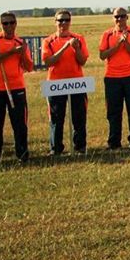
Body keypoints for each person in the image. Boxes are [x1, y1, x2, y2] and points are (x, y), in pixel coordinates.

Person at [0, 12, 34, 165]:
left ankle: (22, 154)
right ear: (1, 25)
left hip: (16, 88)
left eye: (11, 23)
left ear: (16, 23)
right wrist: (10, 52)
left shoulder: (20, 42)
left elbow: (29, 67)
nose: (9, 26)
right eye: (5, 23)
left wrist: (22, 54)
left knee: (19, 124)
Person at [41, 10, 89, 155]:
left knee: (79, 117)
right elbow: (48, 62)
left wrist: (76, 49)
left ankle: (80, 147)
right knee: (56, 118)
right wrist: (65, 47)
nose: (63, 23)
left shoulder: (78, 38)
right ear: (55, 22)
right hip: (55, 83)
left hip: (77, 82)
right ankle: (55, 148)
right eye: (60, 20)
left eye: (66, 20)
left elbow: (82, 61)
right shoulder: (48, 41)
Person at [99, 8, 130, 149]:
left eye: (122, 16)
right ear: (113, 18)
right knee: (113, 112)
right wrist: (118, 45)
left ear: (127, 17)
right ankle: (114, 142)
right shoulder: (107, 35)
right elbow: (102, 55)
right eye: (116, 17)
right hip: (112, 78)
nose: (119, 19)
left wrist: (126, 44)